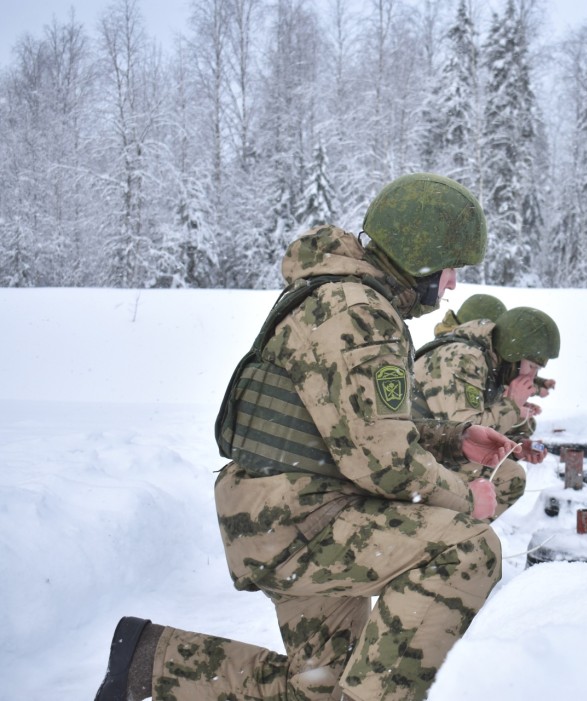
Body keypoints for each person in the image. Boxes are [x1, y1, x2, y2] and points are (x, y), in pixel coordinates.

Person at [94, 173, 522, 701]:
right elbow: (386, 465)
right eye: (452, 267)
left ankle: (150, 663)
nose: (454, 284)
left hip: (283, 514)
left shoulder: (343, 298)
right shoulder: (361, 314)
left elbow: (354, 424)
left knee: (320, 687)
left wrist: (453, 440)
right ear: (422, 257)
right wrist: (468, 498)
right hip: (303, 521)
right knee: (467, 548)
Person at [412, 306, 561, 513]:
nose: (532, 376)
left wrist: (515, 450)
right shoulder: (464, 359)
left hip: (426, 448)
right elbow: (467, 434)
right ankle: (458, 537)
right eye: (532, 367)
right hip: (408, 457)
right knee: (509, 478)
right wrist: (512, 405)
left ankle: (463, 535)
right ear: (513, 355)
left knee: (509, 470)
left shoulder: (487, 361)